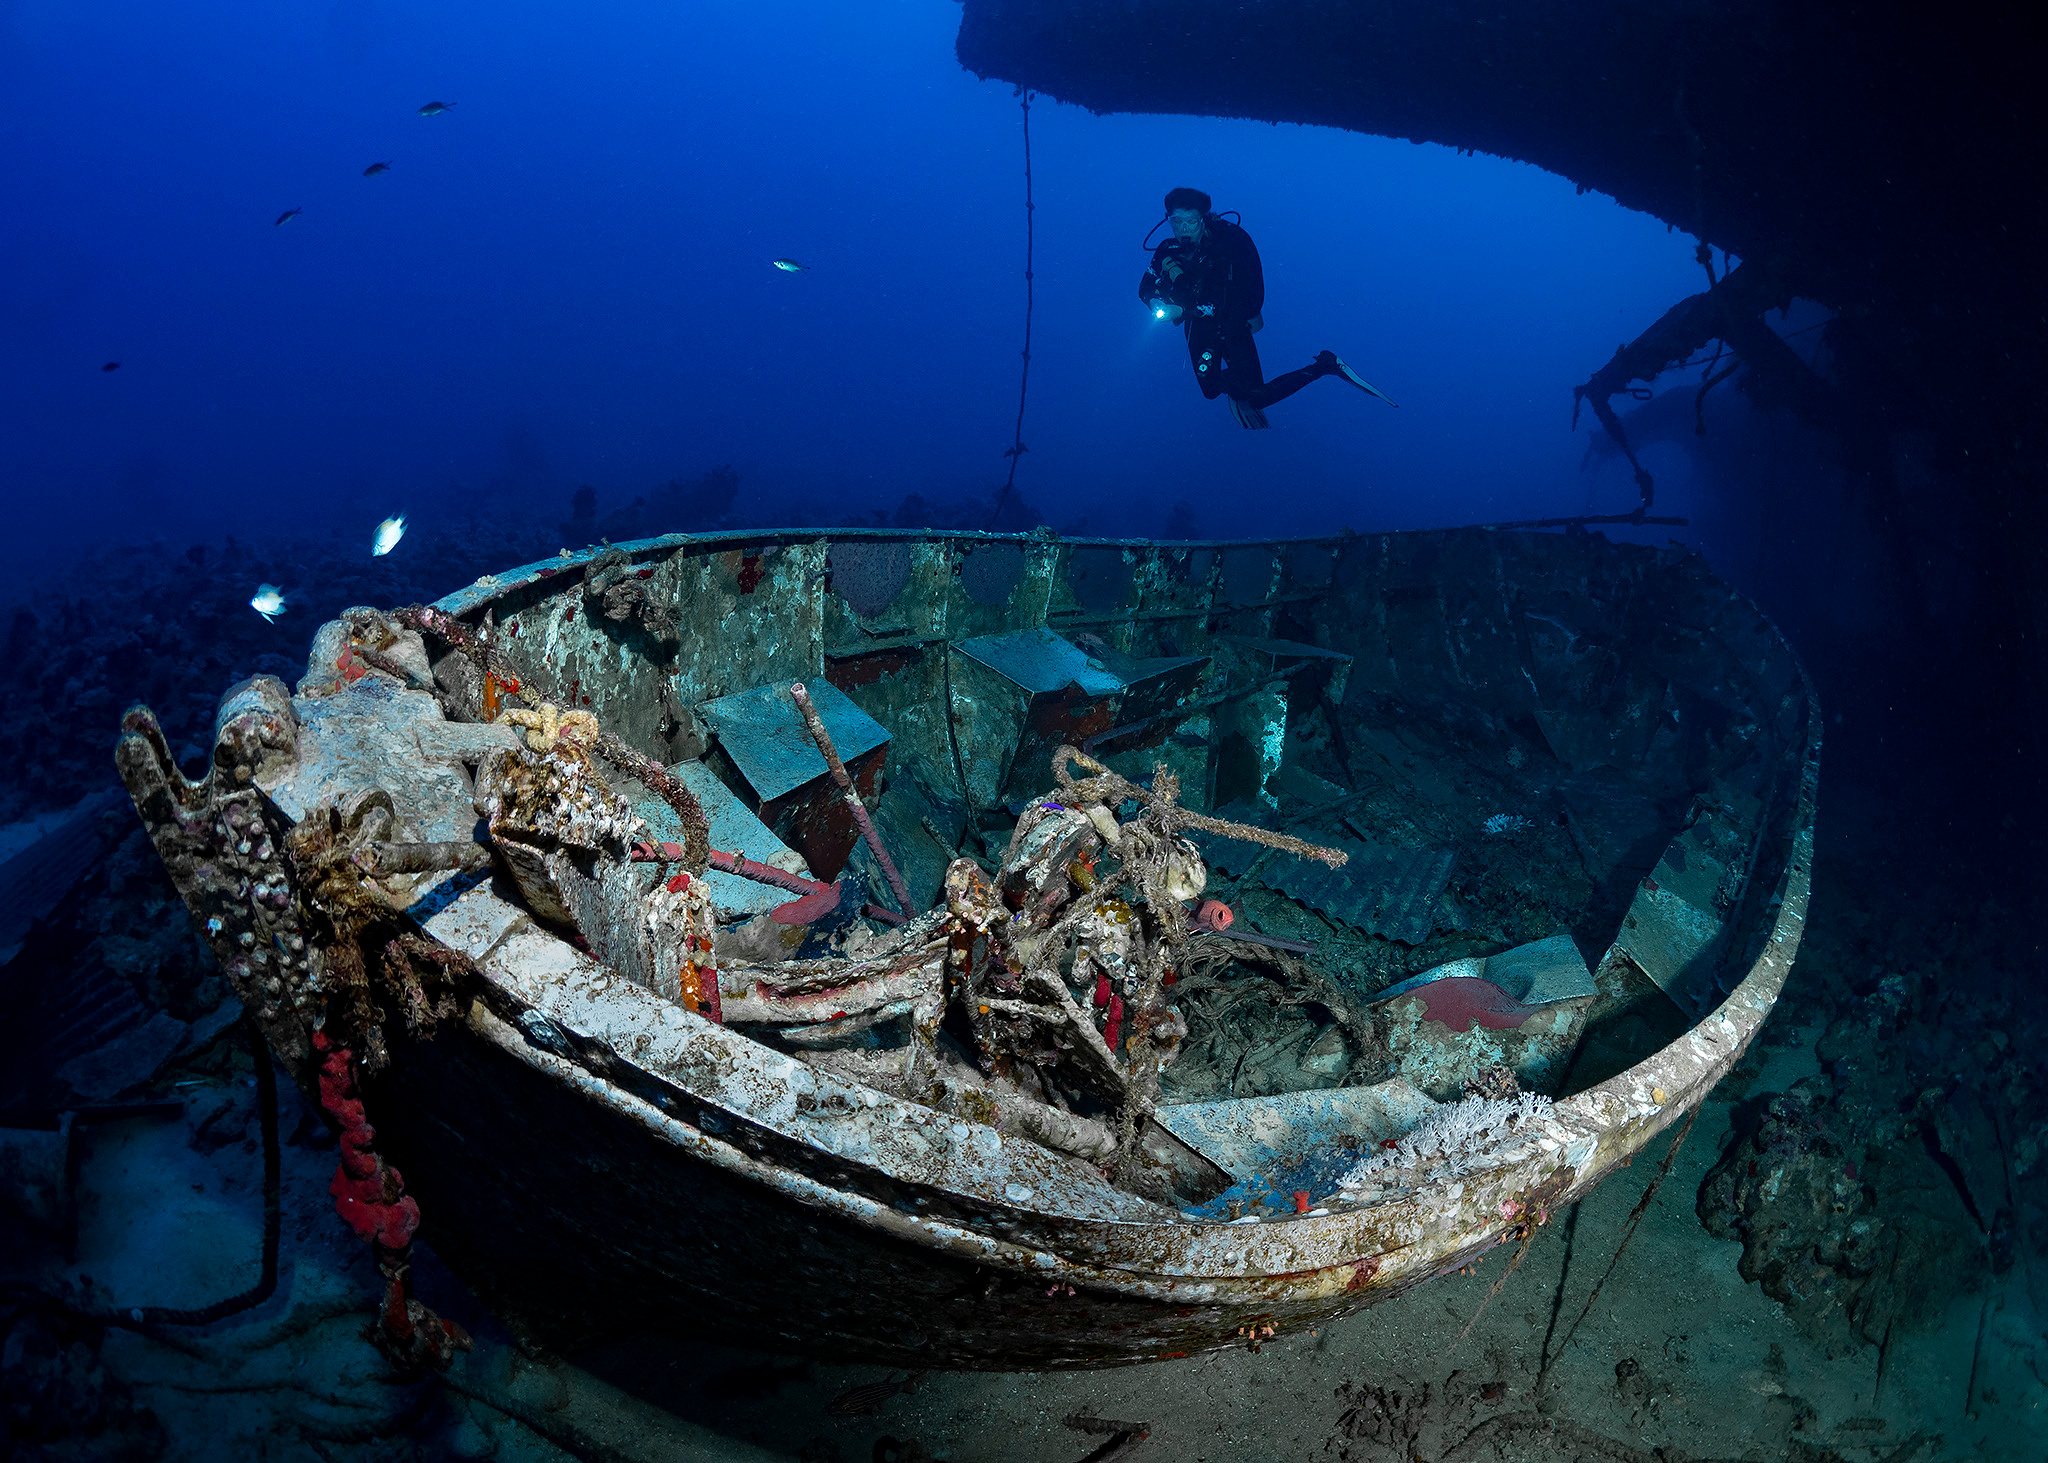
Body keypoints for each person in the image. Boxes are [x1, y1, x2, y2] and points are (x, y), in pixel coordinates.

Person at [1140, 187, 1395, 429]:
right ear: (1167, 220)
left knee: (1258, 397)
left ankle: (1326, 365)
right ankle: (1239, 387)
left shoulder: (1227, 246)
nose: (1183, 229)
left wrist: (1181, 312)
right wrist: (1154, 302)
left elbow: (1231, 301)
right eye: (1176, 221)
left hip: (1233, 324)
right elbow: (1146, 287)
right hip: (1199, 327)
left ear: (1203, 219)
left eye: (1191, 222)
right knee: (1210, 391)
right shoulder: (1167, 250)